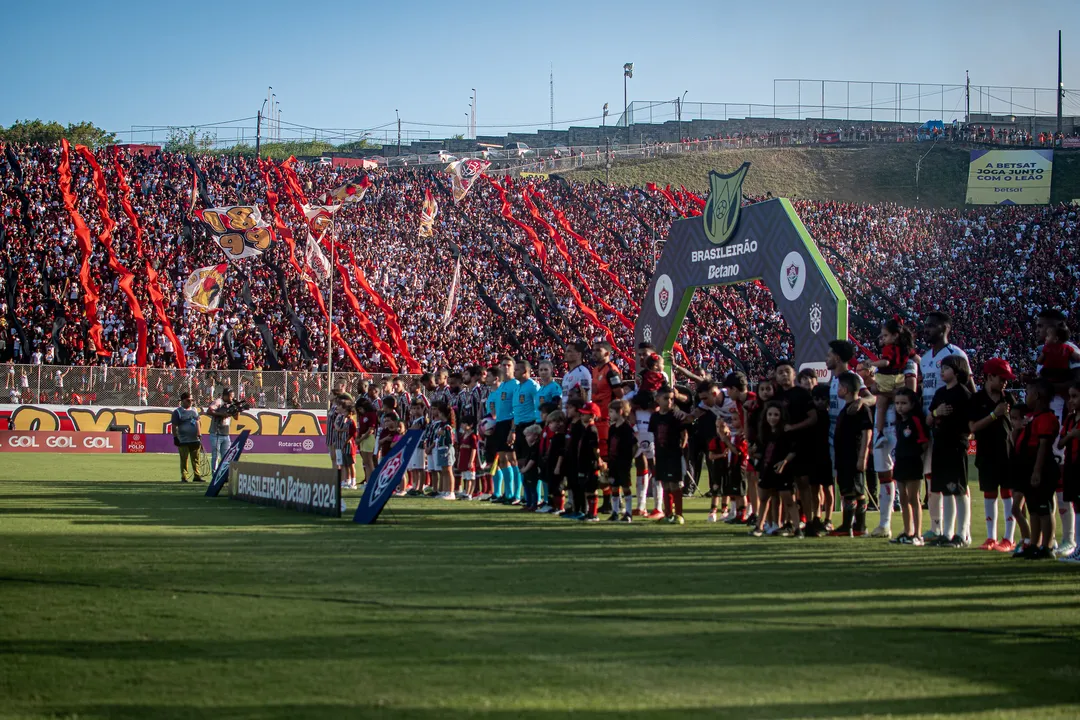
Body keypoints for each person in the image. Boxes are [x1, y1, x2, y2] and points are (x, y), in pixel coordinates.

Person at [920, 311, 970, 542]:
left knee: (957, 481)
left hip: (951, 428)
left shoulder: (956, 354)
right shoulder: (926, 357)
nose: (926, 329)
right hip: (930, 422)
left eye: (931, 326)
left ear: (944, 327)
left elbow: (969, 389)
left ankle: (964, 531)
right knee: (932, 477)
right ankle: (937, 528)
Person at [968, 358, 1017, 552]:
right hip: (986, 453)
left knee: (1008, 494)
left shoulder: (1009, 400)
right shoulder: (977, 400)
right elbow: (972, 427)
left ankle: (1009, 538)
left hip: (1008, 454)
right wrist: (994, 415)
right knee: (989, 494)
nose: (1005, 382)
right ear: (989, 377)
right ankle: (991, 538)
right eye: (1001, 378)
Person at [927, 354, 974, 548]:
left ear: (956, 371)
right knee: (945, 491)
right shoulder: (939, 393)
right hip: (941, 444)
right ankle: (946, 533)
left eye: (946, 368)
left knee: (959, 490)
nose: (942, 372)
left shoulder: (964, 394)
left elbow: (970, 424)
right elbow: (929, 419)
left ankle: (962, 534)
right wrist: (938, 413)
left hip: (956, 445)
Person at [1014, 379, 1060, 559]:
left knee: (1043, 508)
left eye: (1028, 392)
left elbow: (1043, 446)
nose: (1026, 395)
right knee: (1033, 508)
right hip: (1029, 466)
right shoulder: (1035, 417)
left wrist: (1037, 471)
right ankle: (1034, 544)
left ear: (1038, 396)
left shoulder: (1046, 418)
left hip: (1040, 467)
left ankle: (1047, 546)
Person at [773, 360, 817, 537]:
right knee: (785, 488)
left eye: (787, 371)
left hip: (802, 445)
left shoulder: (802, 394)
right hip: (781, 447)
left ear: (793, 374)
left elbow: (813, 418)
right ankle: (789, 523)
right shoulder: (775, 397)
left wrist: (794, 427)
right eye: (780, 372)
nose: (784, 374)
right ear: (776, 376)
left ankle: (810, 522)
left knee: (803, 484)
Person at [829, 372, 873, 537]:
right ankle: (856, 526)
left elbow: (867, 433)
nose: (838, 389)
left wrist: (863, 457)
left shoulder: (861, 409)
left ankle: (852, 525)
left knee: (854, 490)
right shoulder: (846, 408)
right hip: (843, 456)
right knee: (850, 489)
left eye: (840, 387)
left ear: (845, 389)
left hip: (853, 456)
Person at [751, 401, 797, 537]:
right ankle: (759, 527)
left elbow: (793, 450)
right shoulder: (764, 432)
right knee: (764, 498)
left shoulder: (786, 432)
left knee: (788, 499)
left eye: (776, 415)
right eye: (770, 414)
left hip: (783, 470)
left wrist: (784, 462)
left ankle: (797, 528)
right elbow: (762, 452)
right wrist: (753, 452)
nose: (772, 418)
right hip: (767, 469)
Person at [890, 388, 929, 545]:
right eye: (897, 403)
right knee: (903, 499)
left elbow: (924, 442)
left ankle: (918, 535)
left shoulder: (915, 421)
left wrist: (915, 454)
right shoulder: (900, 422)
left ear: (912, 404)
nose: (900, 407)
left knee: (914, 498)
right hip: (900, 462)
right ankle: (907, 531)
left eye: (904, 403)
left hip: (913, 463)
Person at [870, 319, 915, 448]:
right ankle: (879, 433)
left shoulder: (891, 351)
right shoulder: (905, 350)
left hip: (895, 426)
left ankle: (879, 433)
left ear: (895, 336)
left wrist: (871, 364)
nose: (882, 339)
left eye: (885, 336)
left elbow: (909, 393)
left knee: (882, 402)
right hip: (897, 380)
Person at [650, 387, 687, 525]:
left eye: (672, 399)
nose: (669, 401)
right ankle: (668, 514)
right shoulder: (655, 417)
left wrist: (680, 449)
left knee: (675, 484)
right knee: (665, 484)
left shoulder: (676, 416)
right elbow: (654, 435)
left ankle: (679, 514)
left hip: (674, 455)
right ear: (658, 399)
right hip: (661, 455)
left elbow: (684, 434)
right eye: (666, 398)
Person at [1056, 382, 1080, 563]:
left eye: (1075, 396)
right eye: (1070, 396)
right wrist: (1071, 435)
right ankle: (1077, 547)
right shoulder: (1070, 419)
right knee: (1075, 505)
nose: (1071, 400)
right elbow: (1061, 443)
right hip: (1072, 464)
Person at [606, 399, 637, 522]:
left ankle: (628, 513)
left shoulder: (627, 428)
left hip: (623, 463)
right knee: (614, 487)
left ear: (620, 412)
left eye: (611, 412)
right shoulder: (612, 428)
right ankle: (615, 512)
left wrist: (629, 458)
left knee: (625, 486)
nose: (609, 415)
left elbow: (635, 445)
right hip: (613, 462)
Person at [576, 402, 603, 521]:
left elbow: (595, 448)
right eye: (581, 414)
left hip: (590, 463)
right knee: (586, 489)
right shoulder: (586, 429)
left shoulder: (592, 430)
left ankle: (593, 513)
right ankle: (588, 512)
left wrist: (599, 460)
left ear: (592, 416)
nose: (582, 416)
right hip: (583, 462)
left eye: (585, 414)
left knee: (591, 488)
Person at [171, 392, 204, 483]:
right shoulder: (177, 412)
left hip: (195, 439)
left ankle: (197, 476)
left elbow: (198, 422)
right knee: (184, 459)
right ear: (183, 401)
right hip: (183, 439)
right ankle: (184, 476)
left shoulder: (194, 410)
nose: (191, 402)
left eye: (192, 400)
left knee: (196, 459)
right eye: (188, 400)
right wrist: (175, 437)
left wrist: (199, 434)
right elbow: (174, 426)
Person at [207, 388, 239, 472]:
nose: (232, 398)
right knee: (216, 456)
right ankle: (215, 474)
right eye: (230, 396)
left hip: (226, 433)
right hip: (216, 433)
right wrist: (221, 414)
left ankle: (223, 474)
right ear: (225, 396)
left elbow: (236, 418)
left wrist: (237, 408)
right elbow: (209, 411)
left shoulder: (231, 404)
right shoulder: (219, 402)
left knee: (226, 456)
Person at [519, 424, 543, 511]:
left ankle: (534, 504)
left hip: (533, 471)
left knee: (532, 488)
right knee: (526, 487)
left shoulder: (536, 447)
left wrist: (525, 469)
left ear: (536, 436)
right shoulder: (531, 446)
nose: (526, 438)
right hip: (528, 471)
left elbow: (532, 460)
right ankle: (528, 503)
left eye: (528, 435)